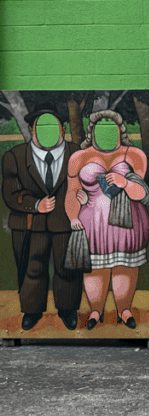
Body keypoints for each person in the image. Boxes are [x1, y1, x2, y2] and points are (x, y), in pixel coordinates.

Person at [65, 110, 149, 330]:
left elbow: (142, 194)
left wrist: (124, 182)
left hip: (128, 222)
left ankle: (124, 310)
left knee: (125, 265)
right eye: (99, 128)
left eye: (110, 128)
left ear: (119, 131)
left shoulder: (135, 155)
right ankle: (96, 310)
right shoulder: (78, 158)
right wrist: (73, 214)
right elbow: (71, 191)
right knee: (94, 268)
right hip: (91, 223)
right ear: (91, 132)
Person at [1, 103, 83, 331]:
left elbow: (85, 183)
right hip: (29, 224)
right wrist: (36, 204)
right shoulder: (14, 156)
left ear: (62, 129)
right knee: (31, 267)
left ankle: (68, 309)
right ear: (32, 130)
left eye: (53, 125)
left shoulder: (76, 153)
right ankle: (31, 311)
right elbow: (10, 192)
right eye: (41, 126)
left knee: (67, 268)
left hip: (65, 222)